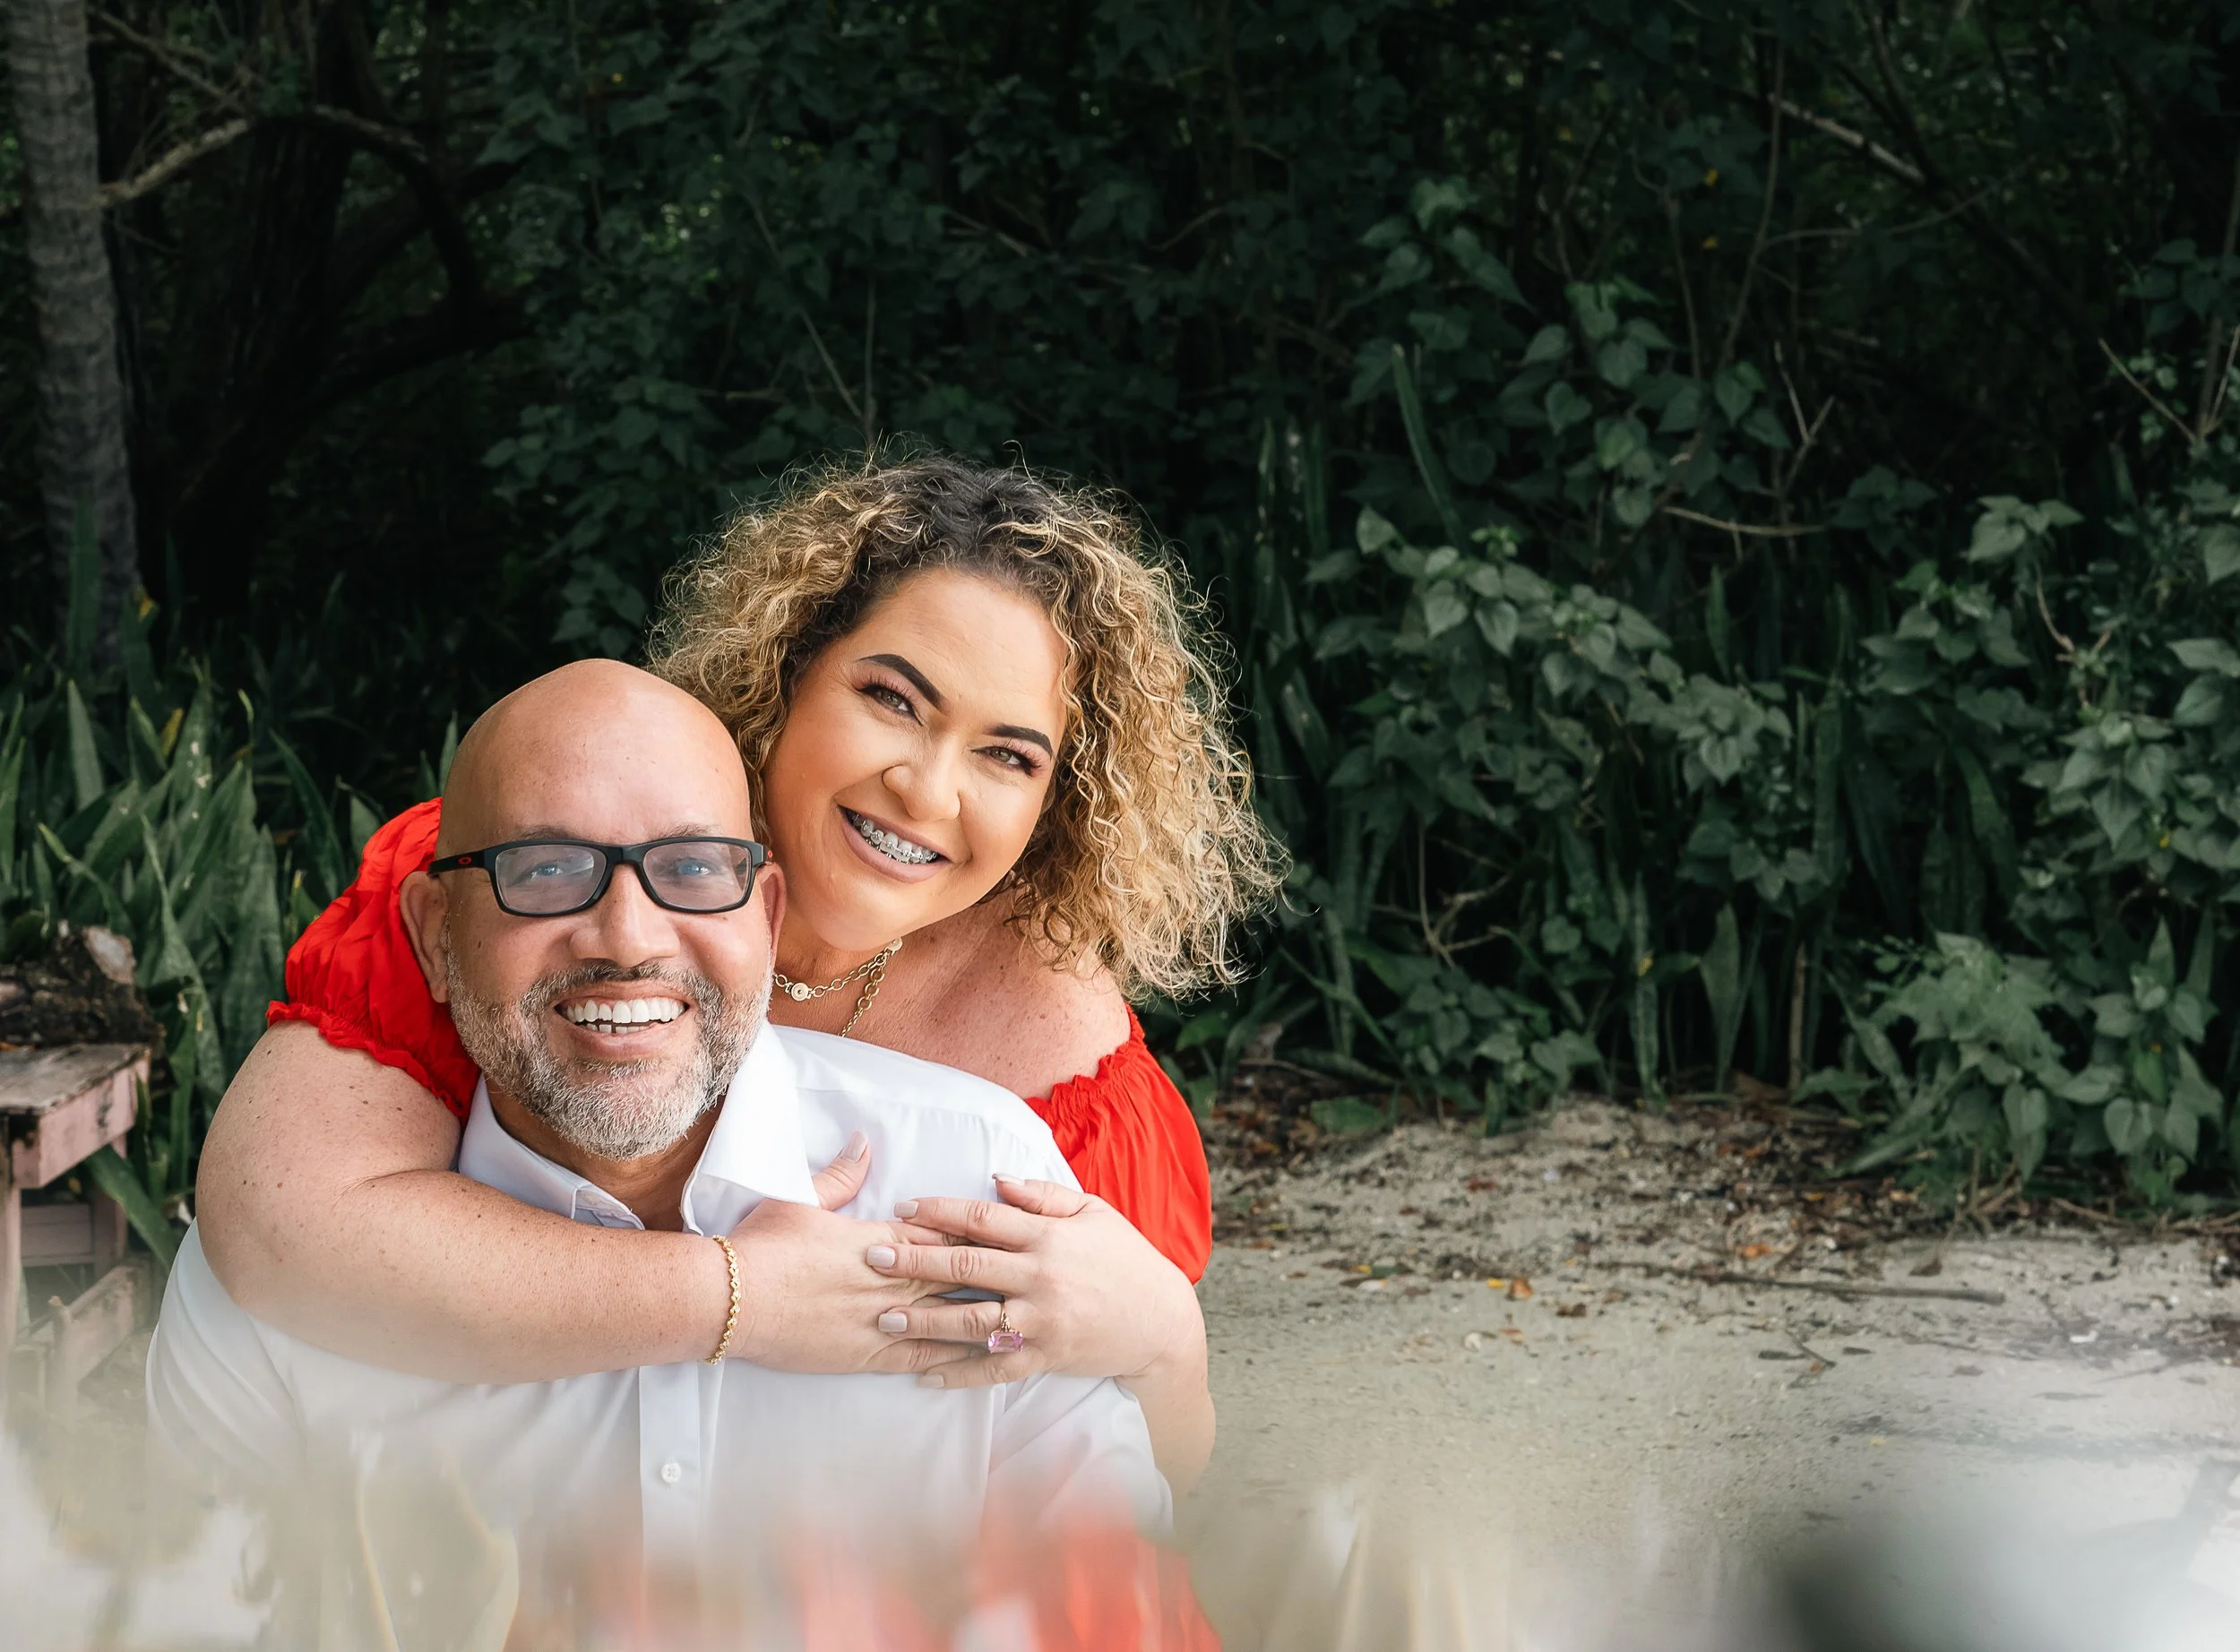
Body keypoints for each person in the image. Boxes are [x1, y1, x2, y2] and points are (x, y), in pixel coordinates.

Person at [194, 457, 1283, 1488]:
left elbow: (1147, 1480)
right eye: (892, 698)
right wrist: (740, 1296)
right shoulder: (524, 893)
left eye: (1008, 754)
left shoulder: (1060, 1070)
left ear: (1056, 806)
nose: (927, 788)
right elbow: (278, 1230)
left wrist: (1164, 1343)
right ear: (784, 677)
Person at [151, 663, 1175, 1635]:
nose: (627, 935)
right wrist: (742, 1296)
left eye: (691, 867)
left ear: (766, 914)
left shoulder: (974, 1174)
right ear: (431, 930)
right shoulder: (288, 1283)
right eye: (543, 868)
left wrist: (1168, 1332)